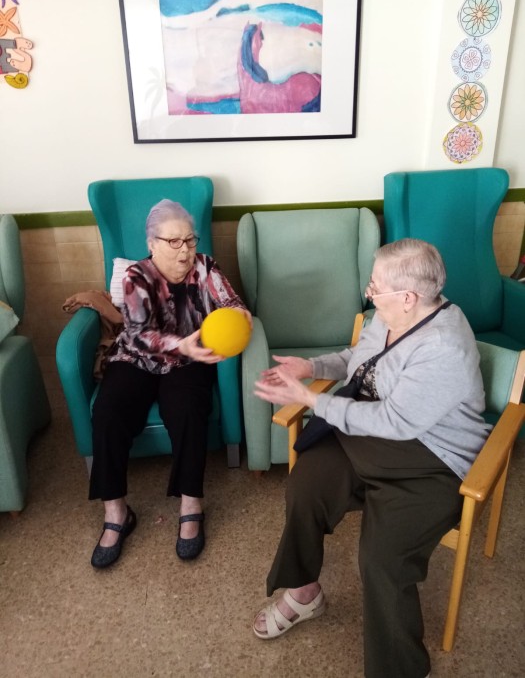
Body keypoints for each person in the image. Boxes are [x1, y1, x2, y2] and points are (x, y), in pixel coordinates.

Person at [252, 238, 491, 678]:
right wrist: (312, 368)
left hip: (433, 459)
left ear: (409, 297)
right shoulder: (390, 315)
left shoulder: (443, 347)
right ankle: (304, 593)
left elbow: (395, 421)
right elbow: (360, 360)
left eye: (375, 286)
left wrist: (310, 399)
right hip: (372, 438)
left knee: (382, 560)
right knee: (307, 484)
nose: (369, 292)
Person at [89, 199, 250, 569]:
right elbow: (138, 334)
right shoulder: (137, 275)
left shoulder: (205, 267)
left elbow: (231, 302)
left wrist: (239, 315)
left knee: (190, 409)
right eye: (174, 242)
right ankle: (116, 512)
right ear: (152, 244)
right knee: (108, 412)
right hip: (138, 358)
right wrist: (180, 343)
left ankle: (191, 504)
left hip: (189, 361)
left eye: (190, 240)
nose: (185, 250)